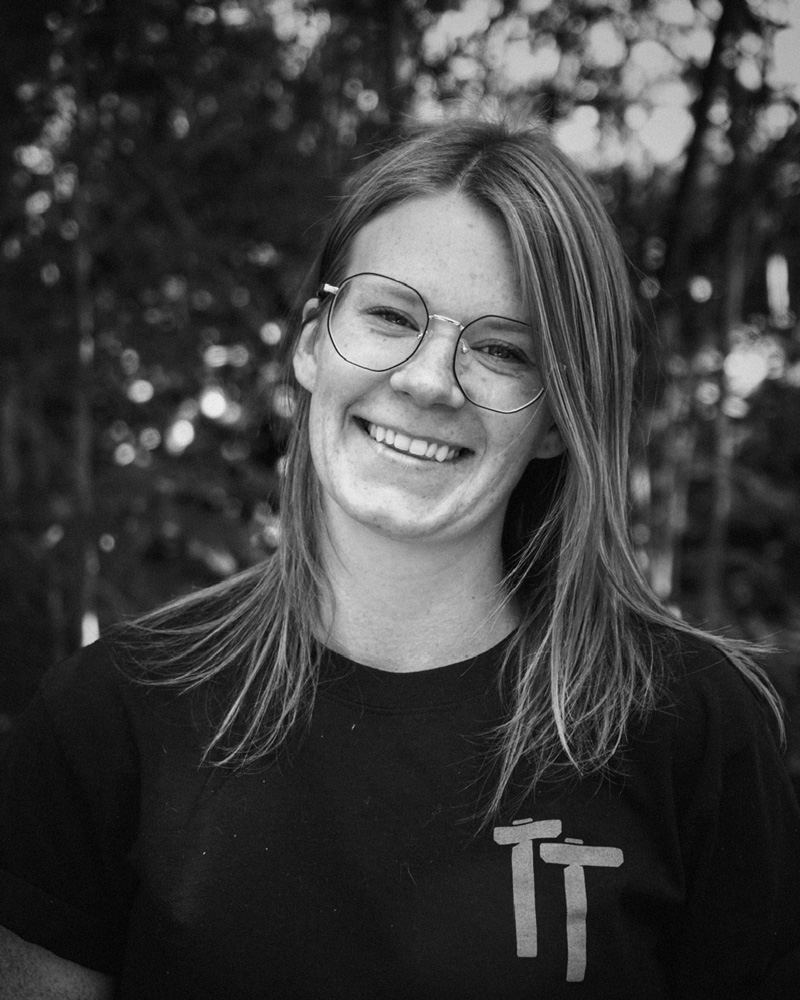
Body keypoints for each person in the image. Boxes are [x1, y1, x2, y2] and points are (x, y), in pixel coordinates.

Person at [1, 116, 799, 1000]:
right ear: (314, 343)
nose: (426, 380)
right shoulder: (108, 719)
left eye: (501, 350)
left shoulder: (690, 728)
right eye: (390, 315)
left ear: (556, 418)